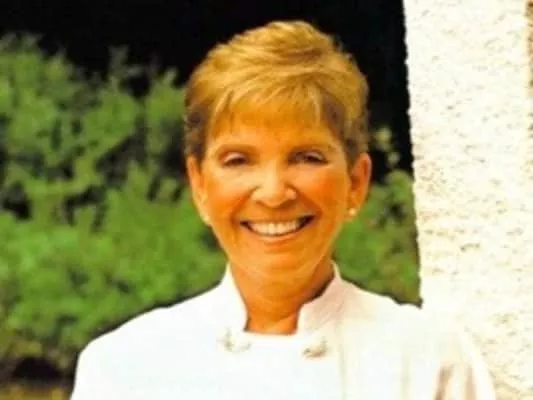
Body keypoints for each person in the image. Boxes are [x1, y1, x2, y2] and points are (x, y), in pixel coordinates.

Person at [70, 20, 495, 399]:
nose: (273, 193)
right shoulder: (125, 369)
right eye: (239, 160)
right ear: (199, 185)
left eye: (306, 157)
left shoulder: (430, 362)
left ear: (356, 182)